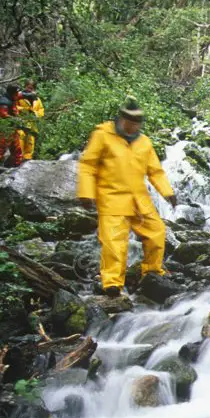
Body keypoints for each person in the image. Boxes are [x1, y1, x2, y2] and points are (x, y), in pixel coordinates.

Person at [77, 97, 177, 297]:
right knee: (114, 242)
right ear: (120, 119)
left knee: (157, 232)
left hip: (139, 199)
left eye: (137, 123)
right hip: (112, 198)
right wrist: (86, 194)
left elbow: (155, 171)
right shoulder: (102, 136)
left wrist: (168, 193)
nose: (132, 127)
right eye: (129, 122)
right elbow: (88, 166)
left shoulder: (144, 142)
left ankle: (152, 271)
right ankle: (112, 283)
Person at [0, 84, 24, 167]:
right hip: (6, 127)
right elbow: (3, 115)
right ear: (12, 93)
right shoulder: (4, 102)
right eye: (16, 93)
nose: (17, 95)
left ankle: (17, 164)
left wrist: (30, 94)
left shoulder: (11, 98)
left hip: (13, 127)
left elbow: (22, 95)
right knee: (2, 146)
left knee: (16, 147)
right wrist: (15, 119)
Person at [16, 79, 45, 161]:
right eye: (28, 87)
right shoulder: (19, 96)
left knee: (30, 141)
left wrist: (36, 114)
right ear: (25, 86)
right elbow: (14, 106)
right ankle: (18, 158)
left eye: (31, 88)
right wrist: (25, 109)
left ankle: (27, 158)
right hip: (21, 121)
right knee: (20, 139)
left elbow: (41, 110)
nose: (29, 90)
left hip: (32, 123)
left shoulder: (37, 99)